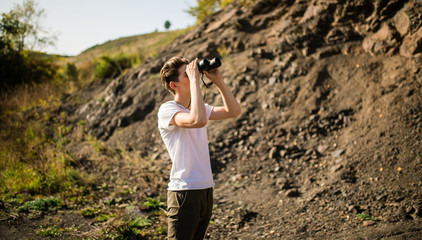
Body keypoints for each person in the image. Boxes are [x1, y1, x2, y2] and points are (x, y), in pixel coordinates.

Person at [158, 57, 241, 239]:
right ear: (174, 85)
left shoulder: (198, 108)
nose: (192, 74)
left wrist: (218, 81)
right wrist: (196, 80)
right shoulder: (168, 110)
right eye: (186, 74)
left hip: (205, 189)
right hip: (184, 192)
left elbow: (234, 111)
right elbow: (198, 120)